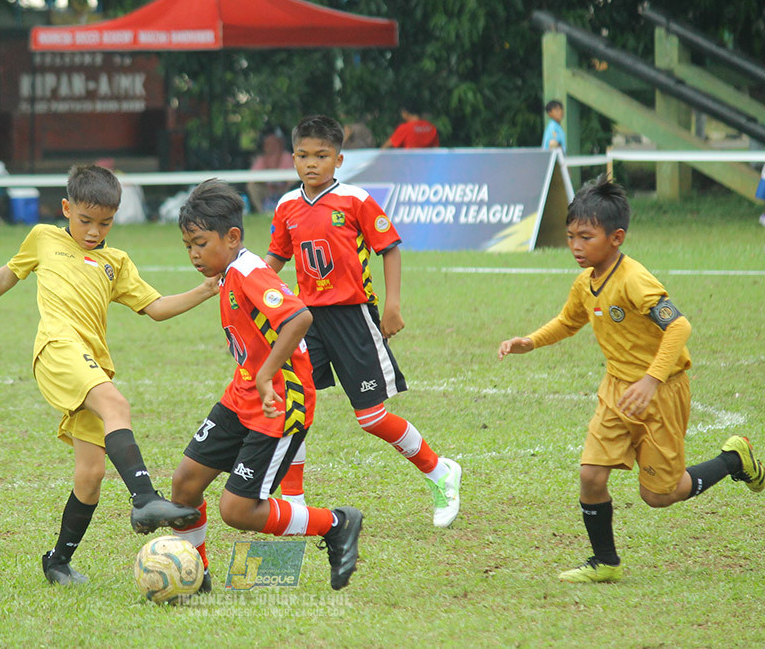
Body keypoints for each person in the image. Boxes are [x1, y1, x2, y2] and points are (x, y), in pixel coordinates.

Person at [0, 165, 218, 586]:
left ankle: (57, 561)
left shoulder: (116, 262)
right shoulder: (44, 238)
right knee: (116, 403)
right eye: (85, 220)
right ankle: (145, 498)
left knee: (90, 475)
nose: (94, 231)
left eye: (106, 222)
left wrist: (206, 290)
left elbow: (157, 307)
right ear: (66, 208)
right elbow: (7, 274)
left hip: (90, 362)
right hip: (57, 349)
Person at [497, 174, 765, 583]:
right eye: (571, 236)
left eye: (586, 237)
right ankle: (605, 562)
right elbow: (569, 322)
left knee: (659, 495)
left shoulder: (635, 279)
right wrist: (530, 342)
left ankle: (733, 460)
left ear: (616, 237)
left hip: (661, 392)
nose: (575, 246)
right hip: (617, 392)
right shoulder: (585, 283)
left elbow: (679, 328)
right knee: (591, 475)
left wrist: (652, 380)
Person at [267, 114, 462, 528]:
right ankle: (294, 502)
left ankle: (440, 471)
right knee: (293, 406)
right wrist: (247, 283)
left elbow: (389, 247)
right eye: (302, 155)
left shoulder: (355, 200)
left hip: (353, 317)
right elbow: (276, 260)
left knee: (371, 417)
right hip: (305, 321)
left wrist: (392, 305)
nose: (311, 164)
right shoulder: (286, 206)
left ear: (339, 160)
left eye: (321, 156)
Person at [171, 179, 364, 592]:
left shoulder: (249, 271)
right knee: (185, 484)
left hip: (279, 403)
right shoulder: (227, 271)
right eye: (188, 245)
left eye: (200, 243)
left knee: (237, 510)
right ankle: (197, 577)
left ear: (233, 237)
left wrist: (264, 374)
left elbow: (299, 319)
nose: (193, 254)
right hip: (242, 395)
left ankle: (336, 523)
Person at [247, 132, 295, 213]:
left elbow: (293, 178)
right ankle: (261, 213)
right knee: (252, 187)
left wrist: (282, 185)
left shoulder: (287, 157)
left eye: (273, 143)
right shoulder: (261, 159)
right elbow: (252, 178)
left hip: (284, 189)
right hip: (267, 189)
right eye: (268, 144)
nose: (270, 146)